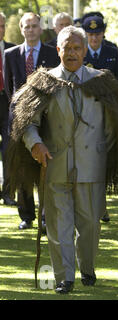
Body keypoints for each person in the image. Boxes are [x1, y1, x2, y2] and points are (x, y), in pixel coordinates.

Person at [7, 25, 118, 294]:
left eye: (76, 48)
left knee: (90, 224)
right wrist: (35, 144)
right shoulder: (43, 82)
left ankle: (87, 269)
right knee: (59, 223)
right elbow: (26, 122)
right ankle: (64, 276)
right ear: (57, 50)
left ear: (85, 50)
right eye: (66, 48)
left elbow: (114, 125)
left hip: (91, 166)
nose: (71, 53)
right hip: (54, 165)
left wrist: (101, 153)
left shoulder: (101, 81)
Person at [4, 12, 59, 230]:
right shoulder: (10, 54)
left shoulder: (52, 53)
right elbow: (10, 88)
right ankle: (27, 216)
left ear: (40, 28)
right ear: (21, 28)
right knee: (22, 168)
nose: (30, 30)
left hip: (46, 119)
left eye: (34, 26)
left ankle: (46, 216)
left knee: (46, 168)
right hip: (19, 120)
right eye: (26, 26)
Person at [0, 12, 16, 206]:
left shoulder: (11, 51)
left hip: (7, 105)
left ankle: (8, 193)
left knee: (9, 150)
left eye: (2, 25)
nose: (0, 29)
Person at [82, 15, 118, 84]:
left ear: (103, 33)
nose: (94, 38)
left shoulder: (112, 52)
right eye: (91, 34)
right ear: (85, 34)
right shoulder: (80, 53)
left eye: (97, 34)